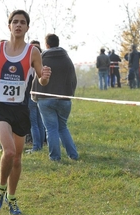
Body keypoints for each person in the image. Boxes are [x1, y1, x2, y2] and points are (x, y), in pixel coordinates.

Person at [0, 10, 51, 215]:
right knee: (9, 151)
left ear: (27, 28)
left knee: (17, 158)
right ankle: (0, 188)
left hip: (20, 109)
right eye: (15, 22)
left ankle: (12, 198)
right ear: (9, 26)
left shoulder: (33, 52)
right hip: (0, 108)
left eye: (22, 22)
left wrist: (46, 77)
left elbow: (41, 80)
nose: (18, 25)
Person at [34, 33, 79, 162]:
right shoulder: (67, 59)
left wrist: (35, 95)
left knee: (51, 129)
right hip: (65, 99)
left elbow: (36, 79)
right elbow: (73, 79)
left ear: (46, 44)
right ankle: (73, 155)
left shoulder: (43, 59)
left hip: (45, 99)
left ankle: (55, 158)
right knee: (63, 127)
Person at [27, 40, 45, 153]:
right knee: (40, 122)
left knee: (34, 123)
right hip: (41, 95)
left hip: (31, 95)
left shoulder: (30, 65)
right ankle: (41, 144)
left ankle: (36, 146)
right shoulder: (42, 64)